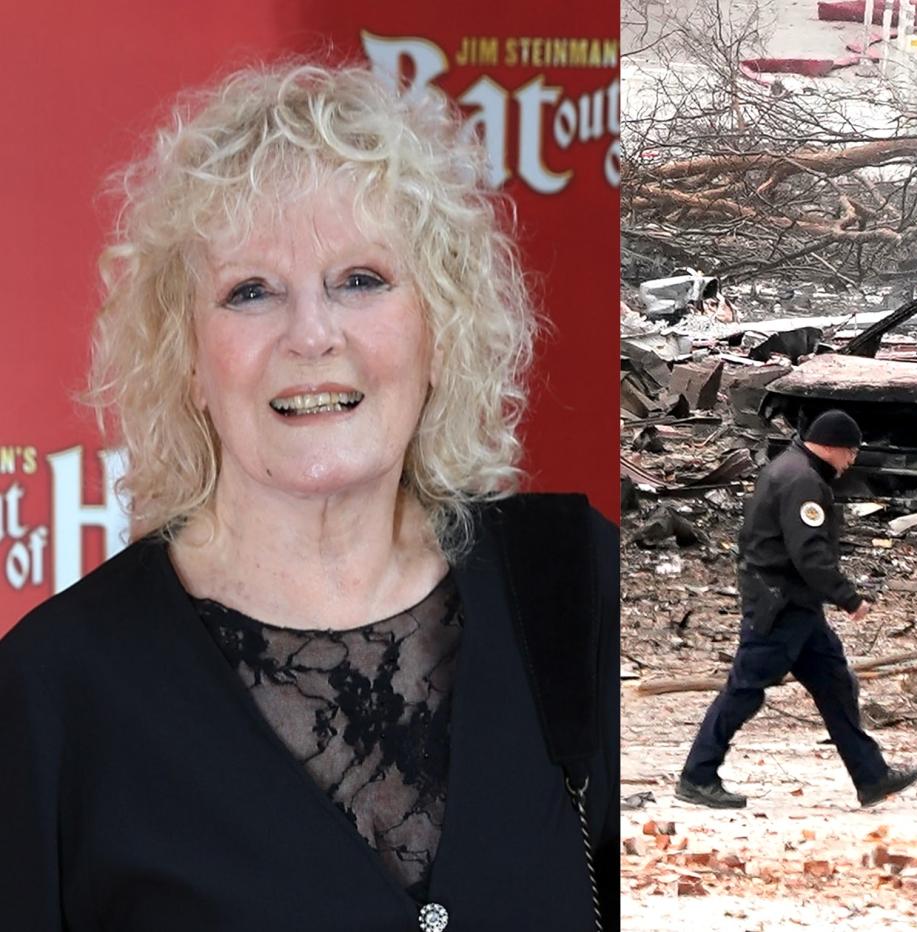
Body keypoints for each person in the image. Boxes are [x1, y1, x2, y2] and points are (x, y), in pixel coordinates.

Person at [0, 63, 618, 932]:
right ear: (188, 359)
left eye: (360, 279)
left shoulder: (576, 585)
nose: (312, 335)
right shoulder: (50, 693)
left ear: (439, 326)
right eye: (251, 292)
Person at [677, 410, 917, 809]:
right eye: (850, 452)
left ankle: (872, 776)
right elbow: (808, 552)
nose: (852, 460)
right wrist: (848, 597)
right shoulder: (803, 481)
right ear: (831, 446)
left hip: (797, 607)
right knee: (744, 690)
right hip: (780, 606)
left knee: (835, 685)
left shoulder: (791, 469)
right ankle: (697, 776)